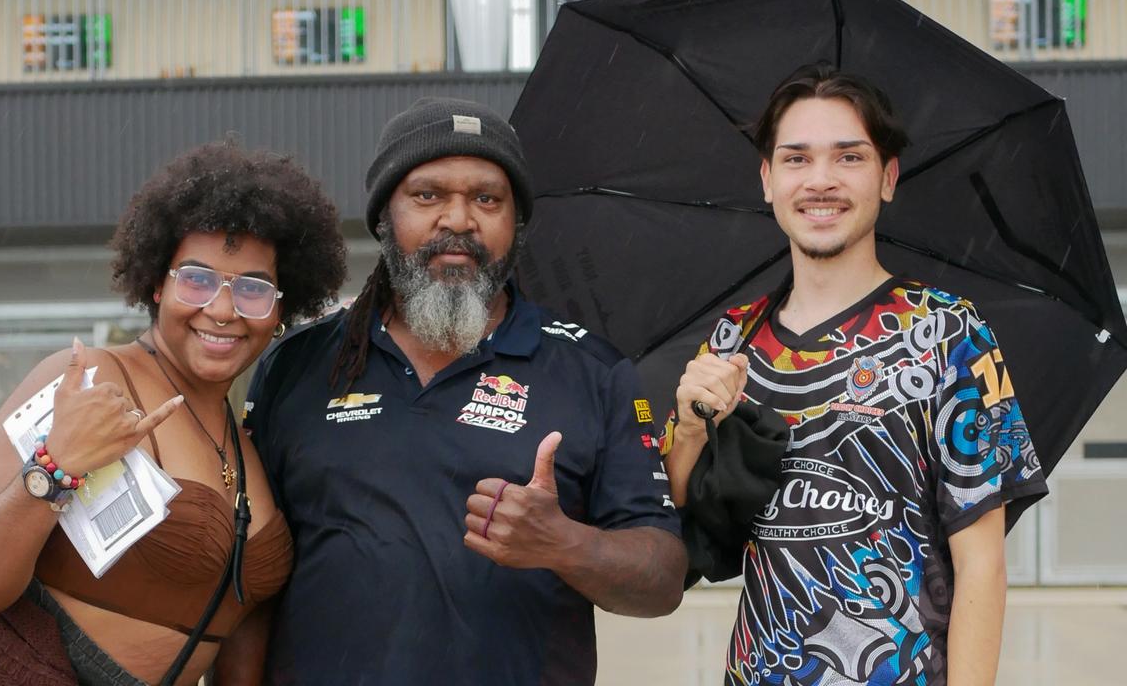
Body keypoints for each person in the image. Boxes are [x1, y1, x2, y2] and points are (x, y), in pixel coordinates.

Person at [241, 97, 686, 685]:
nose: (458, 219)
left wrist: (563, 543)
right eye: (428, 195)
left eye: (487, 198)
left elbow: (661, 581)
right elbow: (250, 577)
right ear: (383, 218)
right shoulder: (295, 365)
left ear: (515, 224)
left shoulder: (593, 371)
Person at [0, 141, 347, 686]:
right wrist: (56, 467)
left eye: (252, 288)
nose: (222, 310)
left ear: (280, 309)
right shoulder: (86, 381)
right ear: (156, 282)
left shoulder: (251, 441)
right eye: (195, 279)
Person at [661, 63, 1048, 685]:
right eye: (796, 159)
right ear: (767, 179)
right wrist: (688, 429)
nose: (821, 181)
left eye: (849, 157)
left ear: (887, 177)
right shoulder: (732, 338)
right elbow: (686, 525)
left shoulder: (947, 333)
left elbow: (982, 564)